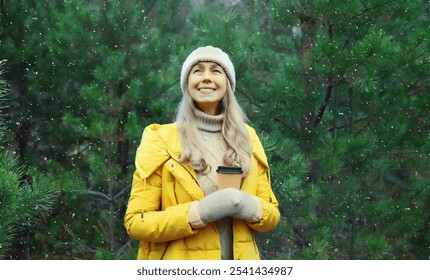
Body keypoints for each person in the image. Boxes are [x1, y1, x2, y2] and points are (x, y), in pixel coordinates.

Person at [124, 46, 280, 260]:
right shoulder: (160, 140)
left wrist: (246, 205)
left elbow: (271, 217)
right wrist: (200, 212)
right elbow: (136, 223)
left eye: (216, 71)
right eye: (197, 71)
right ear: (187, 84)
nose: (206, 77)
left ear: (227, 84)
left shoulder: (248, 139)